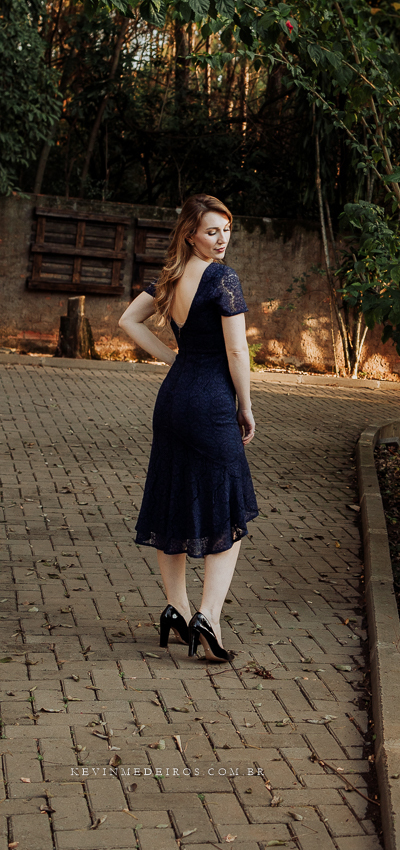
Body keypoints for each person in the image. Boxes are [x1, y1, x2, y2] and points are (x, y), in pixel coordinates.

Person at [118, 194, 259, 662]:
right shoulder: (222, 278)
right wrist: (247, 405)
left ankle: (177, 609)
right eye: (212, 231)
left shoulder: (171, 276)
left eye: (227, 231)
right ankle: (209, 618)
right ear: (190, 234)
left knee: (173, 499)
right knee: (230, 508)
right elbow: (238, 353)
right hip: (212, 402)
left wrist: (171, 359)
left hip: (174, 400)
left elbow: (128, 321)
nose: (222, 241)